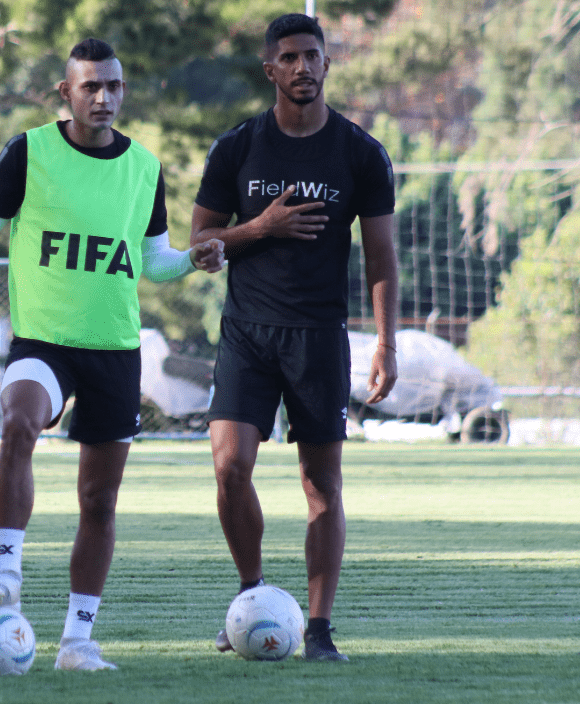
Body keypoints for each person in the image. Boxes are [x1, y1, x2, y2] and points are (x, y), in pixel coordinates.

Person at [0, 38, 225, 671]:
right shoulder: (31, 150)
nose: (104, 98)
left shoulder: (143, 167)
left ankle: (77, 642)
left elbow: (152, 260)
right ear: (65, 94)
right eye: (91, 87)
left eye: (114, 87)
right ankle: (8, 572)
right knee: (19, 420)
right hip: (44, 341)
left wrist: (193, 259)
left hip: (114, 351)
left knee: (98, 504)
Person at [189, 14, 399, 662]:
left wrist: (386, 342)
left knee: (321, 486)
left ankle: (319, 631)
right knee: (229, 468)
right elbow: (200, 245)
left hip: (317, 336)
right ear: (269, 70)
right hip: (246, 332)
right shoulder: (236, 148)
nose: (302, 67)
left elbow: (382, 259)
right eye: (289, 57)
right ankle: (252, 600)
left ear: (326, 65)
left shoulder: (360, 153)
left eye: (312, 56)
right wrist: (261, 227)